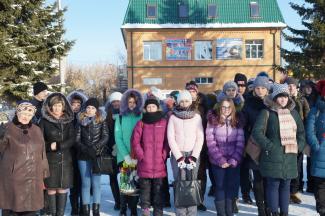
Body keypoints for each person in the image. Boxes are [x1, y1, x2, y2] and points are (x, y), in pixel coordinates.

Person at [252, 83, 306, 216]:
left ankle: (284, 213)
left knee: (286, 187)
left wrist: (298, 147)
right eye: (280, 97)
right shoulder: (267, 112)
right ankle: (274, 212)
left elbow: (301, 133)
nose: (283, 99)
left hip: (290, 156)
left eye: (285, 97)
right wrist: (270, 146)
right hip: (272, 156)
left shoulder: (293, 113)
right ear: (275, 98)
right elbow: (257, 132)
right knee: (273, 186)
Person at [0, 101, 49, 216]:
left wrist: (44, 174)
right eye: (23, 113)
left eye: (29, 114)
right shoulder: (7, 128)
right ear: (17, 113)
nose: (26, 117)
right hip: (13, 178)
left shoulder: (37, 130)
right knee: (12, 209)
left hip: (33, 179)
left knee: (31, 210)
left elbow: (42, 153)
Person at [167, 90, 204, 216]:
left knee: (192, 182)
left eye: (186, 100)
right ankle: (181, 212)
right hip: (179, 155)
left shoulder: (197, 117)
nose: (184, 103)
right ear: (178, 102)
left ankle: (192, 212)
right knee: (180, 182)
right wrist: (179, 157)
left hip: (193, 154)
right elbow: (170, 137)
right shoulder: (173, 117)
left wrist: (194, 156)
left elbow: (200, 137)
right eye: (181, 101)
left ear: (191, 101)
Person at [206, 98, 245, 216]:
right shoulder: (213, 120)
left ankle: (229, 212)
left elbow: (240, 142)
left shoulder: (237, 120)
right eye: (223, 107)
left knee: (231, 186)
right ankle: (221, 213)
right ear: (219, 107)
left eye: (228, 107)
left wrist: (234, 159)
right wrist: (220, 159)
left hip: (233, 160)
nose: (226, 110)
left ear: (232, 108)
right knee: (220, 186)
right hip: (217, 161)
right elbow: (210, 142)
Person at [39, 93, 75, 216]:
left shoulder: (69, 121)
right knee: (51, 188)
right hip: (50, 160)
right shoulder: (44, 121)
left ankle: (60, 214)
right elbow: (39, 141)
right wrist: (50, 146)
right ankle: (52, 213)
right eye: (54, 105)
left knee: (63, 188)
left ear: (63, 106)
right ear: (50, 107)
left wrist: (60, 145)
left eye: (59, 105)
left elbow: (72, 139)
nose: (56, 108)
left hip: (65, 160)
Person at [131, 98, 169, 216]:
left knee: (158, 191)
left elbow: (167, 141)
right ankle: (145, 211)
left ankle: (158, 212)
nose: (151, 109)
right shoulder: (141, 123)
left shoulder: (163, 122)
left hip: (159, 163)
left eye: (153, 106)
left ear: (157, 108)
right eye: (148, 107)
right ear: (145, 109)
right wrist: (141, 155)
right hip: (145, 163)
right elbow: (135, 141)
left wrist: (164, 154)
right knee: (145, 191)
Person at [241, 76, 271, 216]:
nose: (260, 91)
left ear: (267, 89)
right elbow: (243, 125)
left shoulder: (272, 103)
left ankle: (269, 207)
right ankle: (261, 209)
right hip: (254, 146)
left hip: (270, 146)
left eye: (263, 88)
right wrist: (249, 141)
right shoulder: (248, 104)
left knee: (269, 179)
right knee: (258, 179)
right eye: (258, 88)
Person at [76, 98, 109, 216]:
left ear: (96, 110)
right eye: (88, 108)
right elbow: (77, 139)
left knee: (96, 183)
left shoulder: (101, 120)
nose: (90, 110)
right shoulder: (80, 121)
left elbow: (105, 136)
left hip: (97, 155)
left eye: (93, 108)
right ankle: (85, 210)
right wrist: (85, 149)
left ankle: (96, 210)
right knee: (86, 183)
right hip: (83, 156)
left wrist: (95, 148)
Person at [115, 89, 144, 216]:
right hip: (124, 156)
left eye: (134, 102)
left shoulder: (142, 116)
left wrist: (137, 155)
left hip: (138, 156)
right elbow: (118, 137)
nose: (131, 104)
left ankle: (133, 209)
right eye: (129, 102)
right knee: (126, 181)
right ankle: (123, 208)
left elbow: (144, 137)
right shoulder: (120, 117)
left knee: (135, 182)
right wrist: (126, 155)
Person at [284, 77, 310, 203]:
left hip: (298, 136)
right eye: (288, 85)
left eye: (292, 86)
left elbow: (308, 117)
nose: (290, 87)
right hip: (286, 136)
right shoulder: (282, 99)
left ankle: (294, 191)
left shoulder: (302, 100)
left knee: (297, 166)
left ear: (296, 87)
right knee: (286, 165)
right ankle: (286, 191)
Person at [185, 81, 209, 211]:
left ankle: (199, 200)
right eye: (189, 91)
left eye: (193, 91)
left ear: (197, 92)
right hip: (186, 145)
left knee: (201, 174)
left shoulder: (204, 106)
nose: (191, 94)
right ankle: (188, 198)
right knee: (187, 174)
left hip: (202, 145)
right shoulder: (182, 105)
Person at [67, 90, 89, 215]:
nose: (75, 106)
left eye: (78, 104)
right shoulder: (66, 118)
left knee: (83, 182)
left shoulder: (84, 118)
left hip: (82, 153)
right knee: (73, 182)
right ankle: (74, 207)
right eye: (73, 104)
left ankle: (83, 206)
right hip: (70, 154)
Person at [306, 80, 325, 216]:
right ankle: (322, 209)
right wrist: (316, 146)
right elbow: (309, 130)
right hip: (320, 152)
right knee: (320, 185)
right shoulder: (316, 110)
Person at [105, 92, 123, 210]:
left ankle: (126, 201)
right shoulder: (107, 116)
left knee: (125, 177)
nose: (116, 103)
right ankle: (117, 201)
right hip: (110, 151)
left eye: (118, 101)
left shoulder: (125, 114)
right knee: (112, 178)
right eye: (114, 101)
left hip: (123, 151)